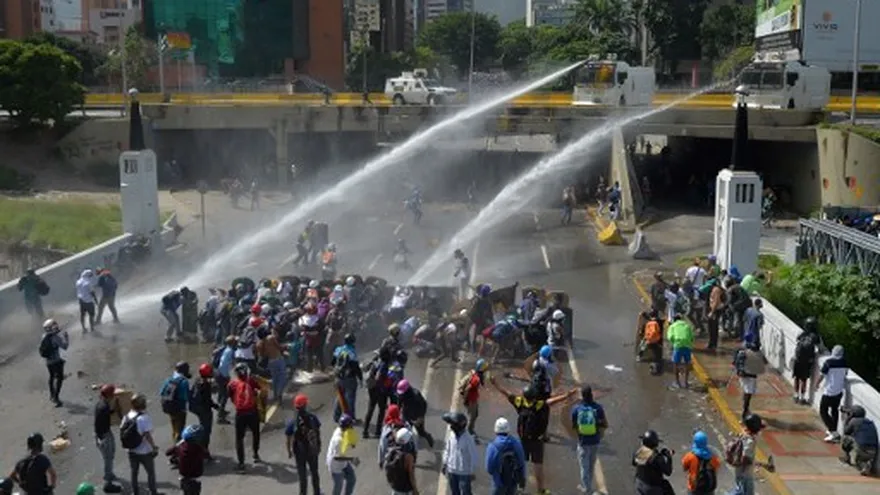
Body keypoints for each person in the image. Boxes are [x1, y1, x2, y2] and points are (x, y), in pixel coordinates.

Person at [490, 376, 576, 495]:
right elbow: (552, 401)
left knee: (519, 464)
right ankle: (540, 490)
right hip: (536, 441)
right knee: (538, 465)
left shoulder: (520, 402)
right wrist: (566, 395)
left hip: (523, 440)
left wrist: (496, 384)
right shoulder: (539, 405)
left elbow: (507, 393)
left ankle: (518, 488)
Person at [120, 393, 160, 495]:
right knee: (150, 473)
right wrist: (154, 447)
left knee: (134, 473)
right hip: (144, 451)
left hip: (131, 451)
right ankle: (153, 492)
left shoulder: (127, 416)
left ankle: (135, 492)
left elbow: (121, 430)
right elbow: (147, 435)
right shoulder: (143, 418)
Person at [571, 385, 608, 493]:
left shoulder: (577, 409)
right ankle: (588, 485)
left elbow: (574, 426)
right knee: (591, 464)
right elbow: (605, 424)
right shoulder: (598, 408)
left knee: (584, 467)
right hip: (595, 441)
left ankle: (587, 488)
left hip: (583, 442)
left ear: (582, 396)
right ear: (591, 395)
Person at [227, 363, 263, 470]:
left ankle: (241, 463)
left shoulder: (232, 384)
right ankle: (255, 454)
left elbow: (230, 395)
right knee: (256, 433)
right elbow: (260, 389)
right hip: (252, 412)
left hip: (240, 413)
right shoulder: (251, 381)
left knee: (239, 438)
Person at [727, 413, 774, 495]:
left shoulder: (744, 433)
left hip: (740, 472)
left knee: (740, 490)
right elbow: (745, 458)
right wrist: (753, 463)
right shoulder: (750, 441)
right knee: (744, 492)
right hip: (745, 475)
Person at [286, 394, 322, 495]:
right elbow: (318, 431)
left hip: (299, 451)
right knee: (314, 473)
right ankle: (317, 492)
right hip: (312, 450)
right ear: (305, 405)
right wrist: (318, 445)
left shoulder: (293, 421)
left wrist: (289, 451)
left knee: (303, 476)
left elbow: (288, 437)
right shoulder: (312, 418)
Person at [485, 417, 526, 495]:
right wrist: (522, 479)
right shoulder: (516, 443)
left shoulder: (493, 446)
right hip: (513, 480)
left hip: (498, 482)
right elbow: (521, 463)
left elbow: (489, 468)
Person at [816, 345, 849, 442]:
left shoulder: (829, 362)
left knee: (823, 411)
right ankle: (832, 430)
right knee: (834, 410)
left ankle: (834, 432)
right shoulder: (844, 362)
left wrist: (816, 384)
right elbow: (845, 374)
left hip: (829, 392)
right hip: (839, 392)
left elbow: (822, 375)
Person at [441, 412, 478, 495]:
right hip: (452, 469)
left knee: (466, 492)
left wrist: (471, 472)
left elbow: (473, 456)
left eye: (453, 425)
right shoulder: (451, 435)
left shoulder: (468, 439)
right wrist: (445, 463)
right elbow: (447, 449)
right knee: (455, 492)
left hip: (464, 471)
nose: (451, 427)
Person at [94, 384, 122, 493]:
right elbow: (100, 424)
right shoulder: (104, 407)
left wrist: (113, 410)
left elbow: (105, 415)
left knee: (111, 453)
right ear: (110, 395)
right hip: (104, 435)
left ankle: (110, 474)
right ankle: (108, 483)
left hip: (104, 434)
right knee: (108, 459)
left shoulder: (101, 404)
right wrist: (102, 440)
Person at [189, 364, 218, 460]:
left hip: (195, 408)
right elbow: (207, 400)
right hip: (204, 410)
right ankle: (204, 451)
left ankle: (201, 449)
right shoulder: (206, 385)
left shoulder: (197, 380)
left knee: (202, 427)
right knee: (206, 431)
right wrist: (216, 406)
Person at [839, 405, 879, 475]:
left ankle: (848, 459)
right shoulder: (870, 422)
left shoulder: (854, 421)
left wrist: (847, 419)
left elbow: (846, 431)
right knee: (863, 457)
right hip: (873, 450)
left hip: (862, 448)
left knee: (846, 439)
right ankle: (867, 463)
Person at [733, 334, 765, 419]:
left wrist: (737, 370)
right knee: (749, 392)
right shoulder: (755, 349)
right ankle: (745, 409)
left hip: (742, 374)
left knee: (746, 390)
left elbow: (734, 362)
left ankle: (745, 407)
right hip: (751, 374)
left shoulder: (740, 348)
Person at [395, 379, 435, 448]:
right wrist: (397, 414)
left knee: (421, 432)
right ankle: (407, 444)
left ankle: (429, 438)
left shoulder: (416, 395)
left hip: (416, 416)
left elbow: (424, 405)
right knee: (404, 430)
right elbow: (399, 404)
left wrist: (420, 418)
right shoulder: (401, 394)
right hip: (406, 414)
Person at [332, 333, 362, 423]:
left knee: (340, 396)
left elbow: (333, 363)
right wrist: (360, 378)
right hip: (349, 379)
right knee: (350, 399)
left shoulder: (338, 349)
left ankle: (336, 416)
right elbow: (356, 367)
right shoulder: (352, 352)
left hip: (338, 377)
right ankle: (351, 418)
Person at [632, 430, 673, 495]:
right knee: (666, 487)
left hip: (639, 484)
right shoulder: (657, 457)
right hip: (652, 488)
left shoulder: (637, 453)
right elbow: (668, 472)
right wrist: (669, 457)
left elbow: (634, 463)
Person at [167, 424, 206, 495]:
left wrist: (178, 444)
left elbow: (168, 452)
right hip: (194, 478)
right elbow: (206, 454)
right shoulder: (198, 449)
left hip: (184, 478)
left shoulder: (180, 447)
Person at [159, 361, 191, 445]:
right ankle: (178, 448)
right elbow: (186, 397)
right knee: (180, 430)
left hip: (169, 408)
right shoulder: (184, 382)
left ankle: (174, 442)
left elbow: (161, 392)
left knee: (174, 428)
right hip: (180, 409)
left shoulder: (169, 379)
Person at [39, 319, 69, 407]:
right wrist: (66, 338)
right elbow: (65, 347)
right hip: (56, 361)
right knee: (59, 379)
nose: (56, 327)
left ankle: (51, 395)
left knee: (51, 377)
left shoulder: (44, 336)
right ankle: (56, 397)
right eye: (54, 326)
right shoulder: (55, 337)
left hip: (48, 362)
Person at [326, 414, 358, 495]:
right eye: (351, 425)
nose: (352, 426)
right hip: (335, 466)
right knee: (338, 486)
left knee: (352, 479)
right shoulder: (338, 440)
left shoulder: (341, 430)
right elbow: (336, 457)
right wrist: (351, 459)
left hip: (343, 462)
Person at [792, 317, 820, 405]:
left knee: (796, 378)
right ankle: (802, 398)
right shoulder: (815, 336)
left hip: (798, 359)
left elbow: (797, 339)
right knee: (804, 380)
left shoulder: (803, 334)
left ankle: (796, 395)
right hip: (807, 361)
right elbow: (820, 347)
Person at [681, 431, 720, 495]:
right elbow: (717, 467)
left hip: (694, 489)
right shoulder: (712, 457)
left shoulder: (690, 456)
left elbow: (684, 468)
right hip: (708, 489)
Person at [459, 359, 488, 441]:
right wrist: (465, 399)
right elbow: (468, 389)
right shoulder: (476, 379)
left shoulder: (477, 375)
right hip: (471, 400)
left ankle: (470, 429)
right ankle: (468, 432)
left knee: (475, 415)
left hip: (473, 399)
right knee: (472, 417)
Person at [384, 428, 419, 495]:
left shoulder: (391, 450)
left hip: (395, 487)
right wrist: (415, 489)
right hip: (405, 490)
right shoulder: (408, 457)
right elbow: (411, 475)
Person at [666, 313, 694, 389]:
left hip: (678, 345)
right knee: (687, 363)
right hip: (687, 346)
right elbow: (692, 337)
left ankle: (677, 382)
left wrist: (674, 343)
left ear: (674, 320)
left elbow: (670, 337)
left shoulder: (672, 326)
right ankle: (686, 382)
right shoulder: (687, 325)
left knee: (675, 363)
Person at [215, 336, 237, 423]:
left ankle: (221, 410)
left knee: (221, 393)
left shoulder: (225, 349)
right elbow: (233, 364)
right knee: (225, 395)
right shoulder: (231, 351)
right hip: (223, 375)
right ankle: (220, 417)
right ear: (232, 343)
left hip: (218, 373)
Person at [76, 269, 98, 333]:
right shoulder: (88, 282)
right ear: (88, 275)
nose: (91, 277)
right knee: (91, 314)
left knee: (82, 315)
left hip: (81, 300)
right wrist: (96, 300)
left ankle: (83, 328)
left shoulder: (78, 282)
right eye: (90, 275)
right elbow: (92, 292)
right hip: (88, 301)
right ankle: (92, 328)